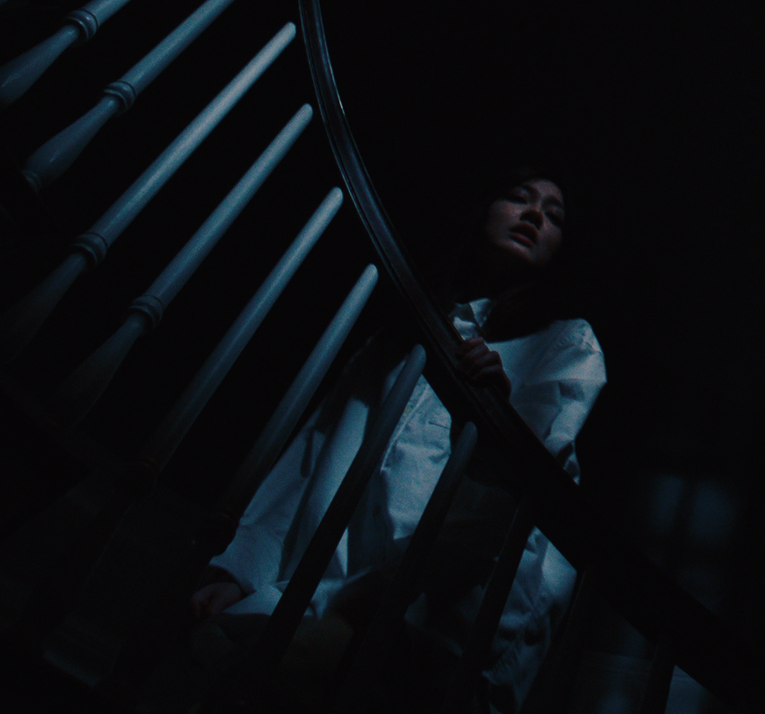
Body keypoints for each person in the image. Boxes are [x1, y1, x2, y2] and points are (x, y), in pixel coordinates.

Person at [185, 168, 605, 712]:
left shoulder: (566, 342)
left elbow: (527, 489)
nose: (534, 215)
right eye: (519, 197)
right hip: (324, 585)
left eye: (553, 215)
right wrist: (243, 569)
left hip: (443, 606)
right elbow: (309, 460)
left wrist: (496, 421)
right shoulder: (394, 343)